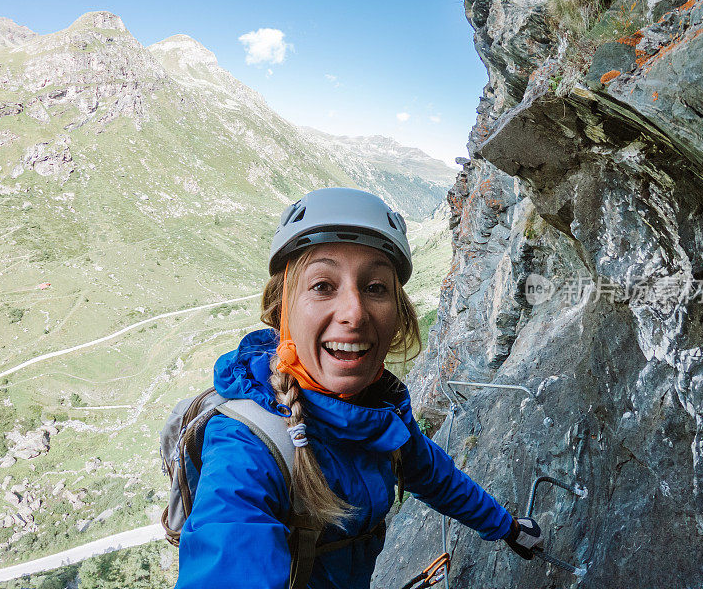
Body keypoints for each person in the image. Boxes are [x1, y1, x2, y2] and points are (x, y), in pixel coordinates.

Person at [175, 187, 543, 588]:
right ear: (283, 309)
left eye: (375, 288)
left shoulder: (378, 412)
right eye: (322, 285)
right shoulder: (245, 448)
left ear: (397, 316)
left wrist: (507, 527)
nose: (353, 312)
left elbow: (433, 476)